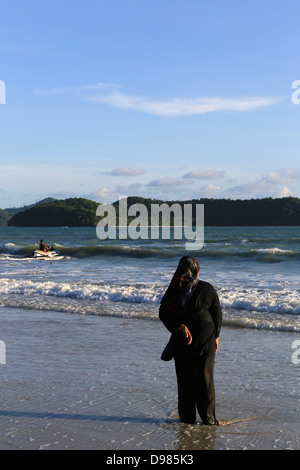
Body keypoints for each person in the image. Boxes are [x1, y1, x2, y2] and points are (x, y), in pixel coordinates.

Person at [159, 255, 222, 425]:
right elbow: (217, 312)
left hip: (183, 342)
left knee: (185, 380)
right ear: (196, 271)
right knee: (205, 379)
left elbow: (163, 313)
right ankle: (209, 420)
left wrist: (179, 326)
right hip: (204, 341)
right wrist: (216, 336)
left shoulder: (173, 290)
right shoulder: (206, 288)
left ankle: (187, 419)